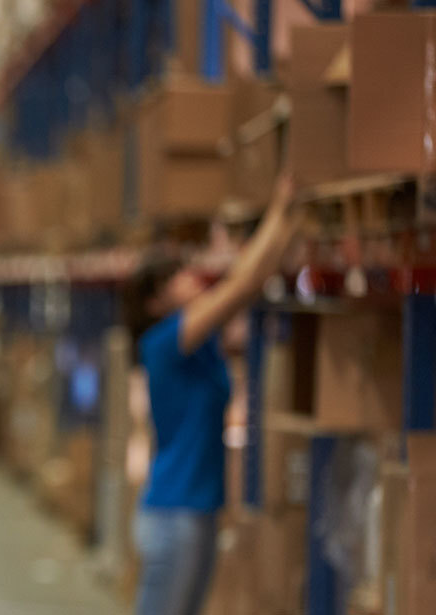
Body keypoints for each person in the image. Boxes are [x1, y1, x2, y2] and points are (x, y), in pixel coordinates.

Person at [124, 175, 302, 615]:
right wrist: (284, 209)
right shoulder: (164, 342)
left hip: (197, 513)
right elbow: (241, 286)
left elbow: (247, 283)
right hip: (174, 515)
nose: (190, 278)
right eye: (176, 278)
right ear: (155, 303)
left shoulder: (199, 345)